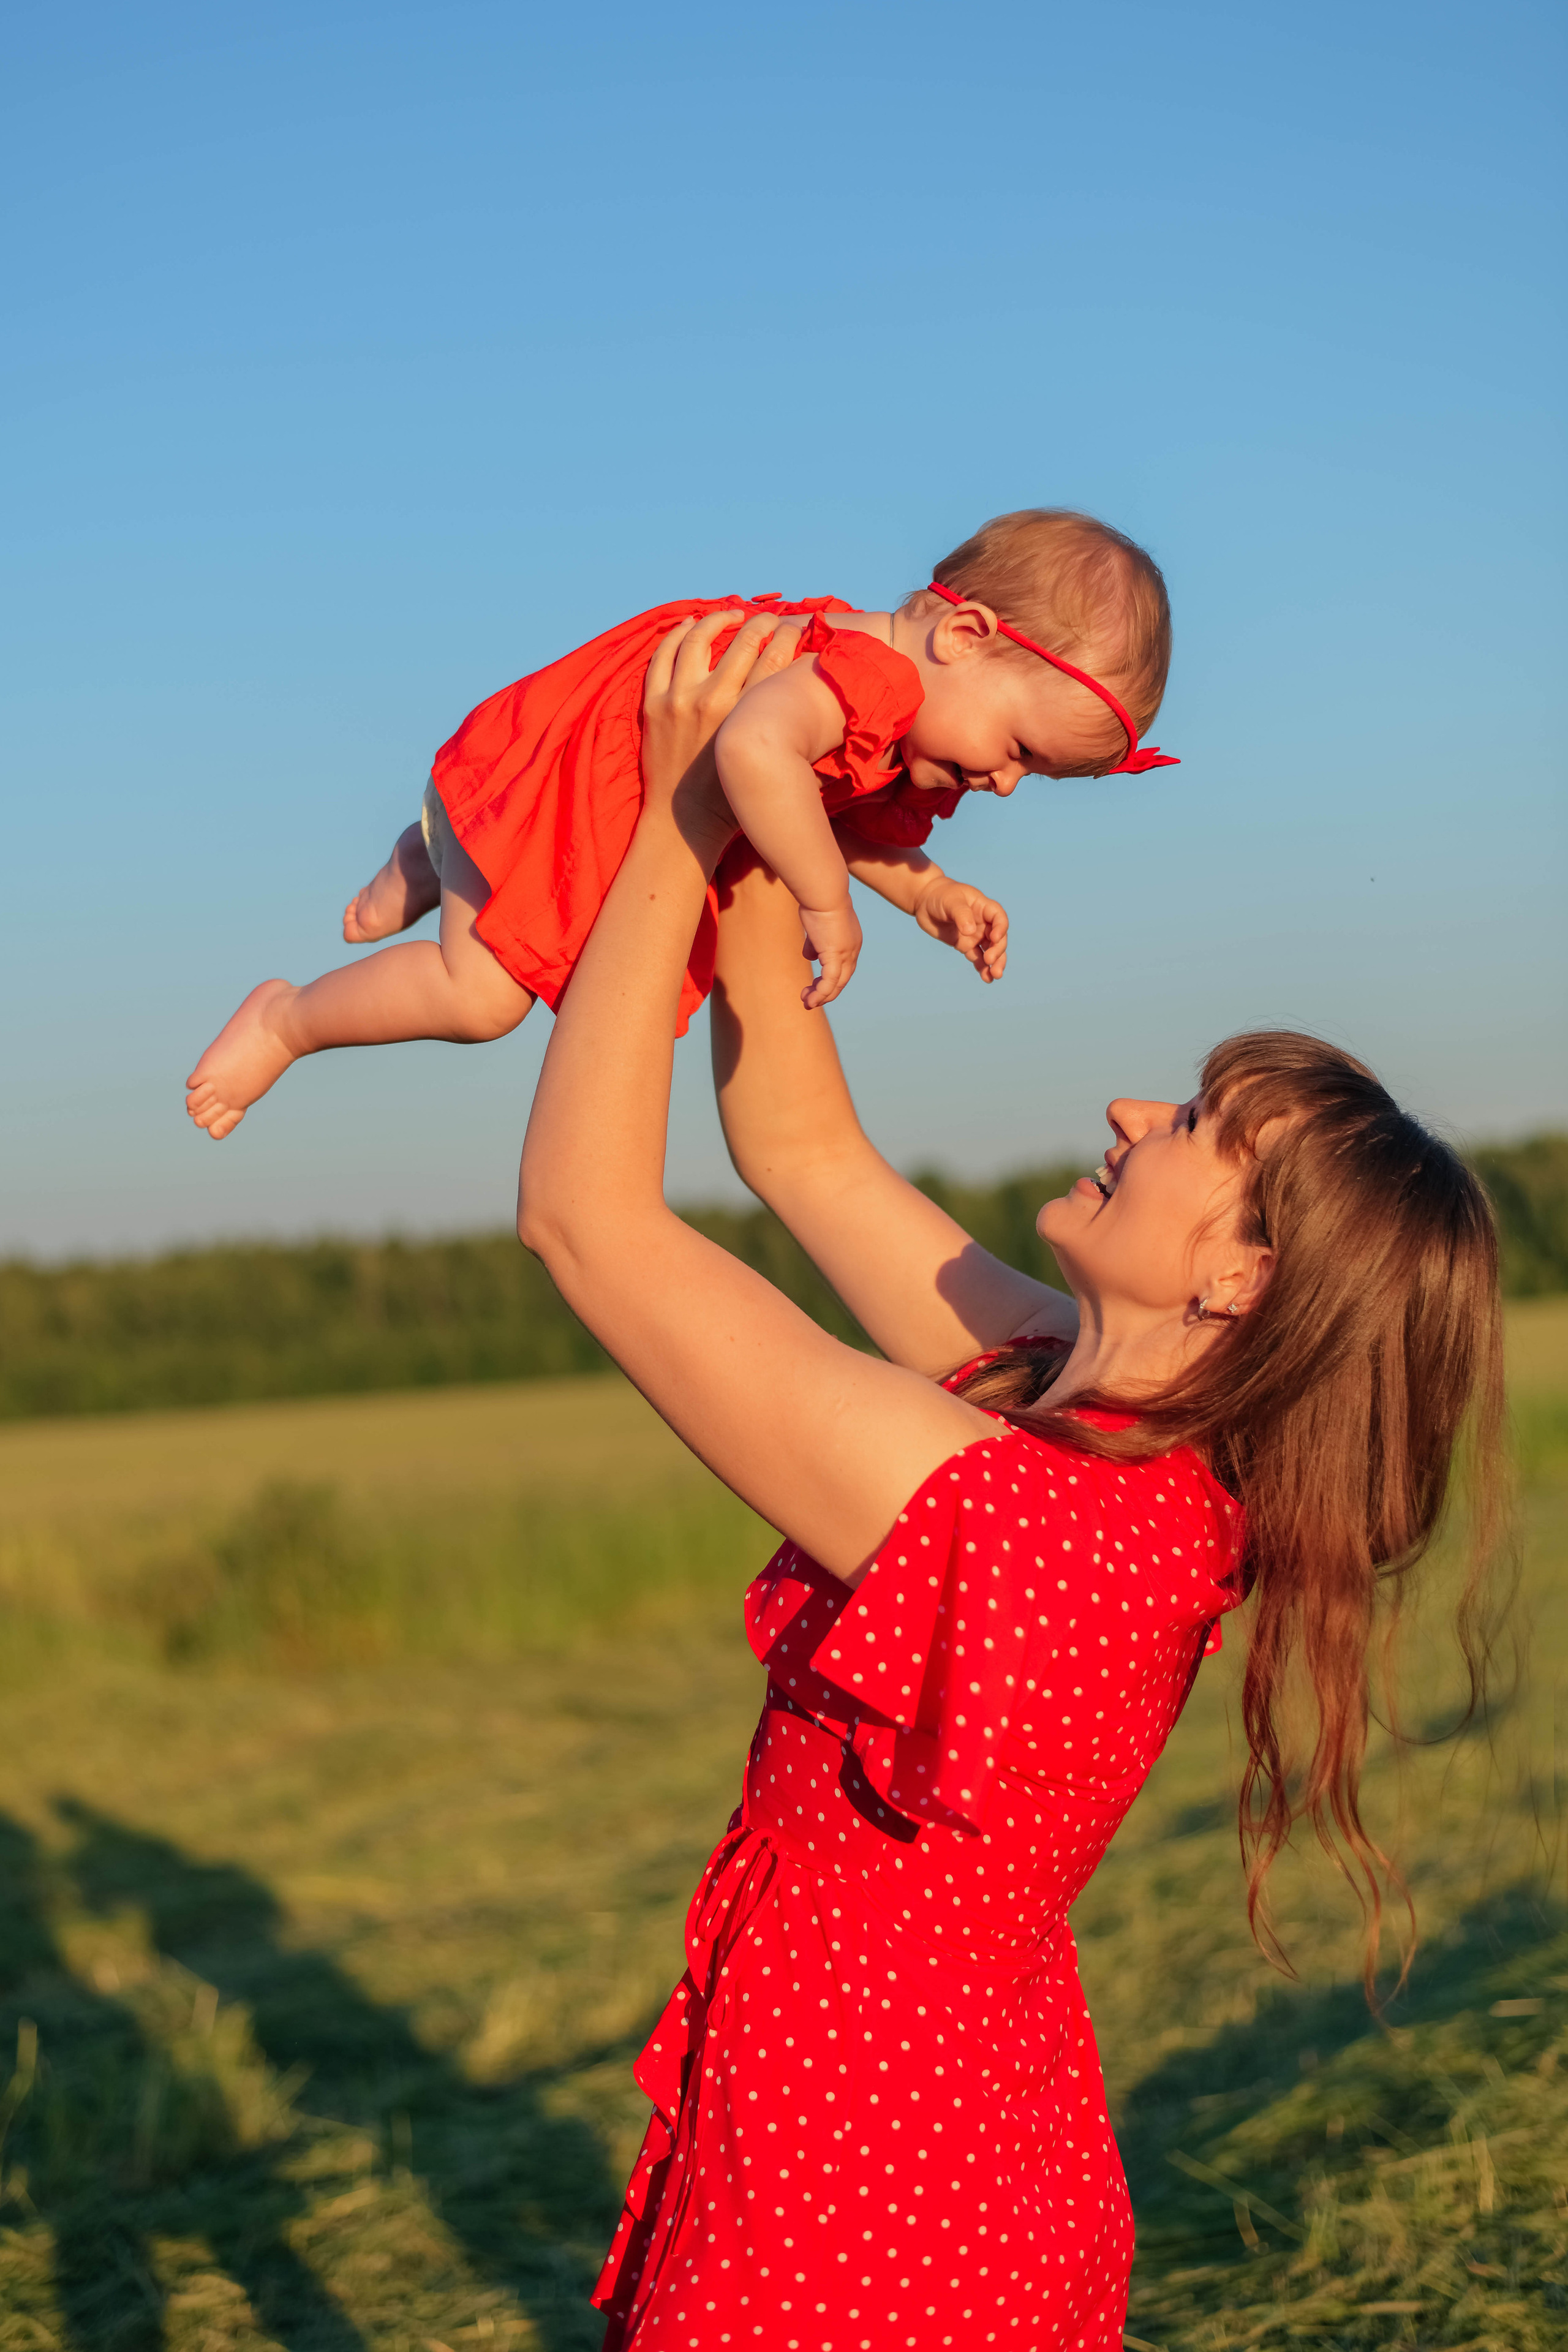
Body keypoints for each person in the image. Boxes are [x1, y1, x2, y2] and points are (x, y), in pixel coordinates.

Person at [513, 616, 1505, 2350]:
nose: (1131, 1107)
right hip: (941, 2147)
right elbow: (802, 1146)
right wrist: (778, 781)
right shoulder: (1106, 1436)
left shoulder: (998, 1504)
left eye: (1194, 1125)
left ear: (1242, 1280)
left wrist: (679, 818)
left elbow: (588, 1226)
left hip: (855, 2190)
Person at [185, 509, 1176, 1140]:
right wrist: (827, 906)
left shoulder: (887, 697)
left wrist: (928, 891)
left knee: (506, 929)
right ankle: (288, 1018)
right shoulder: (864, 677)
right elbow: (753, 754)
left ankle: (437, 851)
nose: (1005, 785)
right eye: (1021, 749)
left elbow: (836, 812)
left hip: (572, 789)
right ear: (964, 638)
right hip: (564, 781)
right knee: (479, 1000)